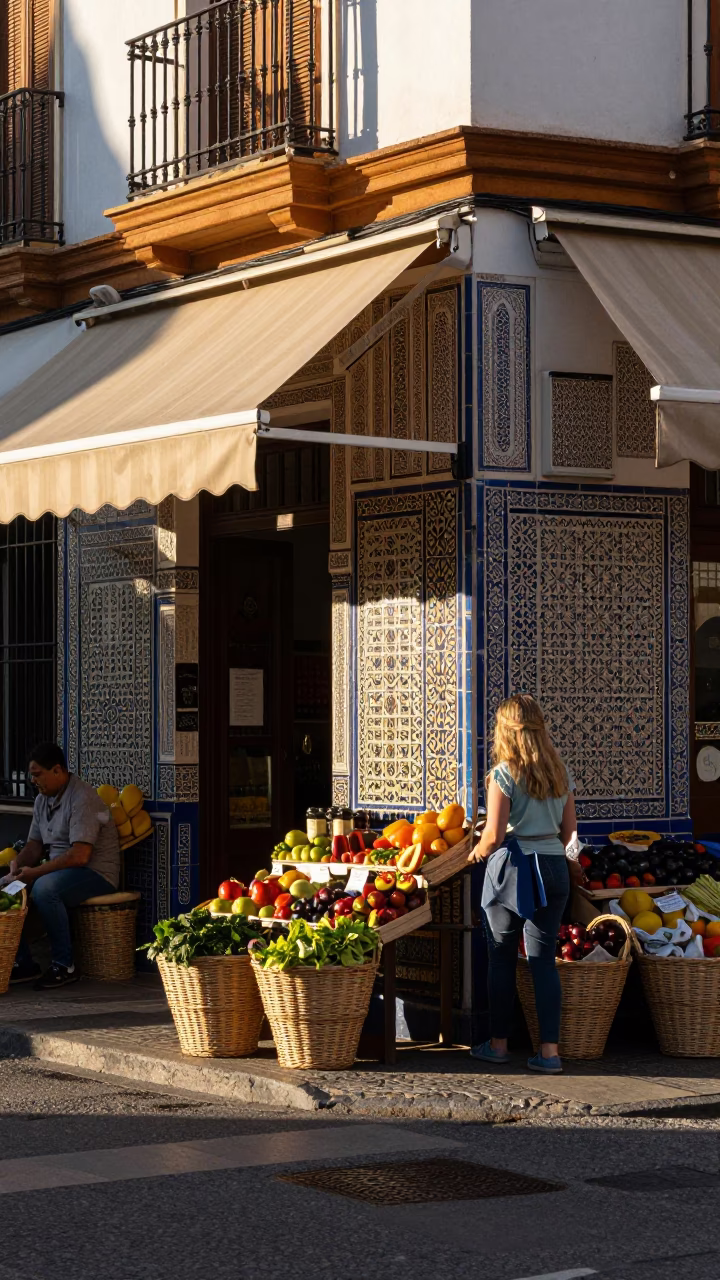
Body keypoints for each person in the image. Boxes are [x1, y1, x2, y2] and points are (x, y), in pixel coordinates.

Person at [468, 695, 582, 1075]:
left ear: (505, 731)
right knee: (543, 962)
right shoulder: (560, 773)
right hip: (554, 869)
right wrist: (573, 868)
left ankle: (498, 1045)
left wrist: (473, 854)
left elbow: (494, 836)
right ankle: (549, 1053)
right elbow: (571, 836)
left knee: (501, 959)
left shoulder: (503, 775)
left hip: (513, 871)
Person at [5, 744, 120, 990]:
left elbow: (80, 856)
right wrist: (17, 864)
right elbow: (34, 845)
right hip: (58, 870)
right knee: (5, 890)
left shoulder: (83, 798)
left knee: (44, 889)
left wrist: (35, 873)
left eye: (37, 774)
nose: (33, 781)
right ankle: (22, 963)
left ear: (57, 770)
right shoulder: (41, 800)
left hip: (95, 873)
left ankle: (64, 964)